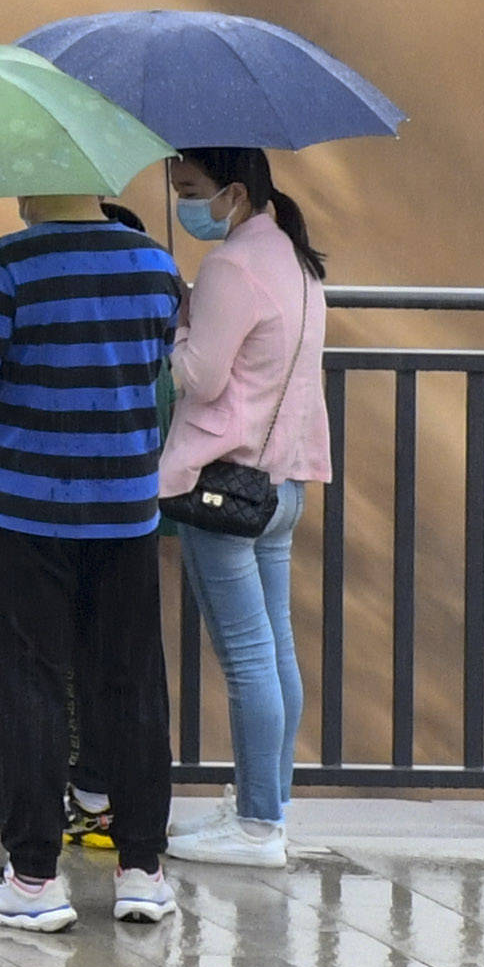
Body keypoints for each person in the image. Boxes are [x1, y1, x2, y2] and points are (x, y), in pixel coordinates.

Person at [0, 181, 187, 934]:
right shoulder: (155, 263)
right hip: (123, 509)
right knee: (131, 681)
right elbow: (158, 361)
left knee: (31, 683)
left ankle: (32, 876)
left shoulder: (8, 261)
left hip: (26, 510)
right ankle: (142, 868)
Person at [158, 144, 339, 864]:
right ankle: (269, 801)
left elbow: (199, 378)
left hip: (223, 485)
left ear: (233, 190)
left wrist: (179, 321)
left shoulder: (231, 265)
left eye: (192, 188)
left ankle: (258, 824)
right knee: (275, 650)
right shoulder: (295, 260)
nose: (184, 201)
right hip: (281, 483)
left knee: (246, 660)